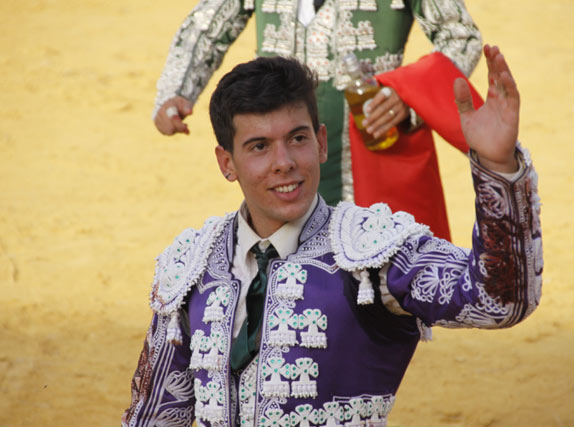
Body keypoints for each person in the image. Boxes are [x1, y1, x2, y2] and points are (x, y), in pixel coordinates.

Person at [123, 46, 543, 426]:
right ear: (226, 163)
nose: (284, 162)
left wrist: (498, 170)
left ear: (322, 143)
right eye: (259, 147)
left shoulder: (373, 251)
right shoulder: (193, 263)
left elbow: (498, 300)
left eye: (298, 138)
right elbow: (153, 416)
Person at [151, 0, 484, 240]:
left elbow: (461, 36)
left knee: (378, 279)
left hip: (375, 144)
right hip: (281, 149)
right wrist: (176, 88)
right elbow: (208, 22)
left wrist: (407, 98)